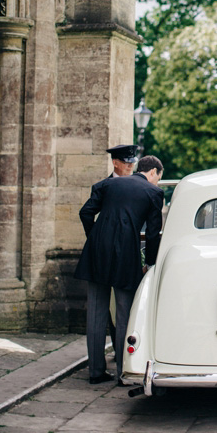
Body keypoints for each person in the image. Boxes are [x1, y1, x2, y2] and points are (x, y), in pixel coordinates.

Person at [74, 155, 164, 385]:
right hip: (126, 253)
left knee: (96, 311)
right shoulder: (153, 193)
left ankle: (95, 371)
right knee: (125, 311)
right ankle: (124, 372)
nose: (157, 183)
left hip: (96, 251)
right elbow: (153, 234)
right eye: (158, 179)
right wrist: (150, 263)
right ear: (153, 172)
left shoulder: (107, 184)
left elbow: (85, 213)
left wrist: (94, 236)